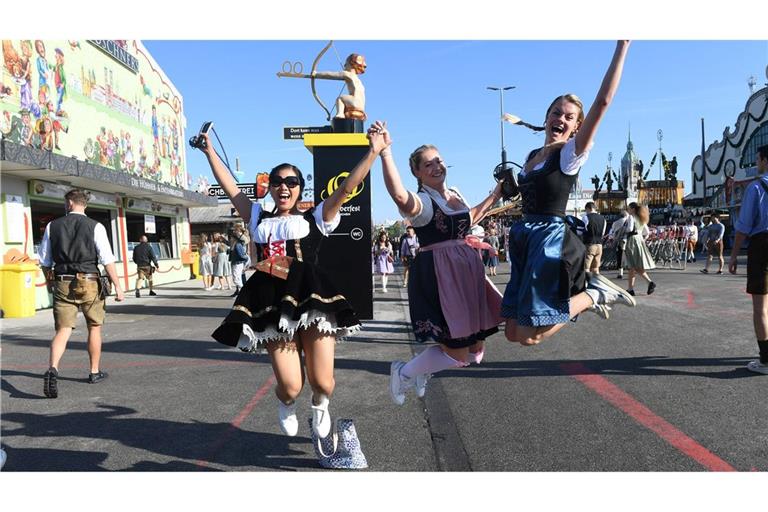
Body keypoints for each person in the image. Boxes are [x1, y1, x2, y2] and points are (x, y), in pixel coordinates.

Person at [195, 127, 382, 439]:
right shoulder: (258, 218)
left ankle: (321, 404)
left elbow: (348, 187)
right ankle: (286, 403)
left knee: (323, 382)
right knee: (291, 385)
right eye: (277, 182)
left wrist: (373, 151)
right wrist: (209, 152)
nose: (284, 187)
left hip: (311, 300)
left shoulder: (316, 217)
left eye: (291, 181)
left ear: (300, 187)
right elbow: (230, 189)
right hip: (269, 301)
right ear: (269, 188)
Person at [502, 40, 635, 347]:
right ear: (547, 115)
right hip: (524, 239)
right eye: (556, 112)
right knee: (511, 332)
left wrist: (622, 45)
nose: (560, 119)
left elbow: (602, 102)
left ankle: (593, 294)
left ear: (577, 126)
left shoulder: (569, 155)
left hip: (549, 241)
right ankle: (590, 294)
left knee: (529, 337)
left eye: (569, 117)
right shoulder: (532, 154)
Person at [373, 120, 504, 405]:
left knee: (476, 351)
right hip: (443, 275)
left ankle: (424, 369)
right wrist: (384, 153)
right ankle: (404, 372)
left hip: (467, 271)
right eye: (428, 164)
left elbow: (472, 217)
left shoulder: (454, 197)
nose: (436, 167)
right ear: (417, 173)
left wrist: (496, 194)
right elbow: (398, 195)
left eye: (439, 161)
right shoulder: (423, 202)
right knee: (458, 353)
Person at [37, 189, 125, 398]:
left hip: (62, 281)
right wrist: (118, 286)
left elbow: (44, 261)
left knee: (63, 330)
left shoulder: (52, 226)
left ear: (69, 203)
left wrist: (51, 283)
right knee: (94, 327)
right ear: (84, 204)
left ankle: (53, 369)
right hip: (89, 282)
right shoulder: (95, 226)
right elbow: (107, 259)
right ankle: (94, 372)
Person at [729, 144, 768, 374]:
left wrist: (733, 256)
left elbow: (742, 226)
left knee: (761, 306)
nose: (756, 163)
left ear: (764, 160)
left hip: (762, 244)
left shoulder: (756, 187)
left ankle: (765, 360)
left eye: (757, 159)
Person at [623, 203, 657, 295]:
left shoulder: (631, 217)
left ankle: (635, 287)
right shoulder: (641, 218)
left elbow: (629, 229)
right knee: (634, 266)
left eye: (629, 209)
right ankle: (631, 289)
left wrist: (623, 229)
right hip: (639, 240)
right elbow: (646, 232)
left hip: (632, 241)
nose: (628, 210)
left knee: (632, 266)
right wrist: (642, 239)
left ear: (633, 209)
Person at [582, 201, 607, 275]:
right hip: (599, 245)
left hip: (589, 244)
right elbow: (603, 233)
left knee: (586, 268)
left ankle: (586, 284)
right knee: (596, 268)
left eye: (586, 210)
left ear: (588, 208)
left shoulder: (586, 217)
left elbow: (582, 230)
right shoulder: (603, 219)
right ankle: (597, 284)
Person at [608, 206, 631, 278]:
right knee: (629, 256)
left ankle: (620, 272)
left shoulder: (615, 223)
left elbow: (613, 233)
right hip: (628, 240)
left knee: (620, 256)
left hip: (619, 241)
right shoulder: (629, 221)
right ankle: (631, 270)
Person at [229, 226, 250, 297]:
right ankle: (239, 291)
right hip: (238, 260)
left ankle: (243, 292)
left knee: (238, 277)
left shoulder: (241, 240)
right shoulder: (235, 242)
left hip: (240, 260)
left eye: (235, 230)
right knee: (238, 276)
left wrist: (239, 234)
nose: (234, 232)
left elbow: (246, 241)